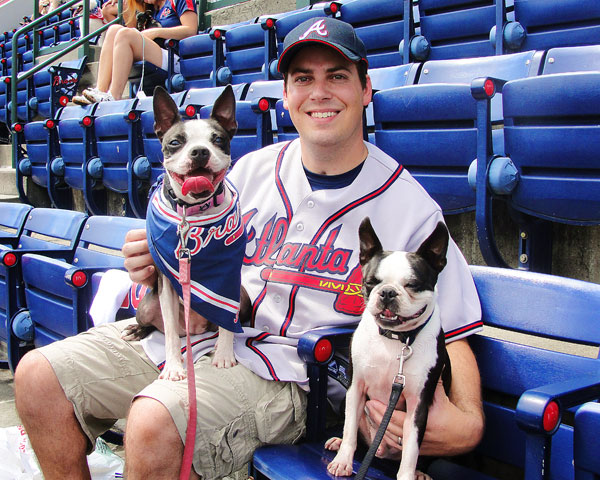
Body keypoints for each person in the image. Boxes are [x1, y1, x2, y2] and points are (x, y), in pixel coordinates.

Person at [14, 17, 485, 480]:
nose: (318, 93)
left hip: (292, 374)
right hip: (197, 339)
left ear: (365, 90)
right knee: (38, 377)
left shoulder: (410, 206)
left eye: (337, 77)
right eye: (303, 79)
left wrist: (468, 423)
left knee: (154, 421)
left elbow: (454, 327)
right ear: (286, 96)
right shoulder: (244, 173)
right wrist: (151, 259)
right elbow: (189, 254)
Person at [72, 0, 197, 104]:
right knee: (114, 29)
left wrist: (157, 32)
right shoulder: (150, 8)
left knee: (124, 34)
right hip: (156, 54)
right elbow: (128, 29)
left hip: (174, 58)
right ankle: (100, 90)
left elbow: (191, 30)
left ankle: (114, 95)